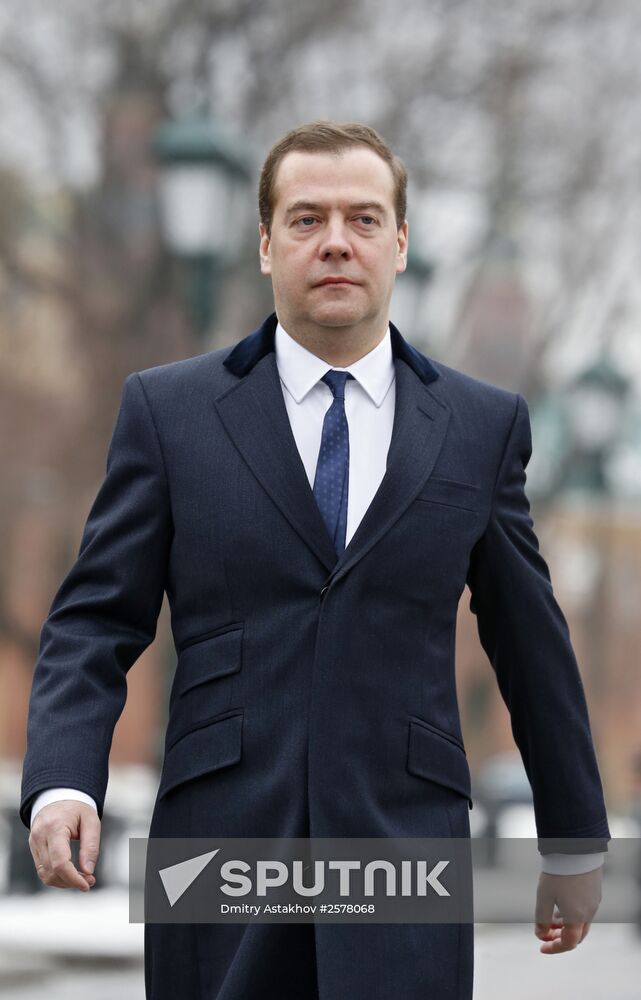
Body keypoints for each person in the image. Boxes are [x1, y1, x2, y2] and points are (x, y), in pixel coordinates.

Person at [21, 120, 609, 999]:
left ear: (400, 243)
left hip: (403, 853)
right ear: (264, 245)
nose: (336, 240)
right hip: (217, 852)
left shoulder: (481, 429)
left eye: (364, 219)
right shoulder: (170, 413)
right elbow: (95, 619)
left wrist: (570, 838)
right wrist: (63, 778)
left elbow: (531, 645)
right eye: (305, 219)